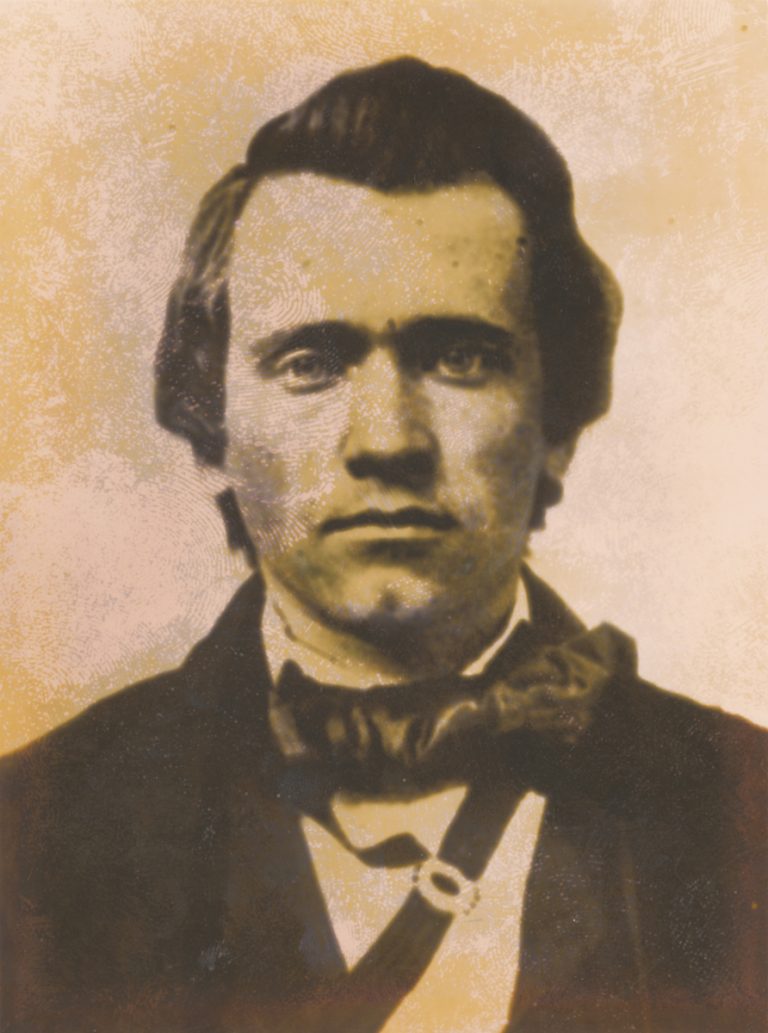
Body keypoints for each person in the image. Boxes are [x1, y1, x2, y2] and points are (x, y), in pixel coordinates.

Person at [1, 58, 765, 1033]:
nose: (389, 439)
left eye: (461, 358)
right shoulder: (30, 837)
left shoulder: (743, 814)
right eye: (311, 362)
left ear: (559, 422)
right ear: (212, 430)